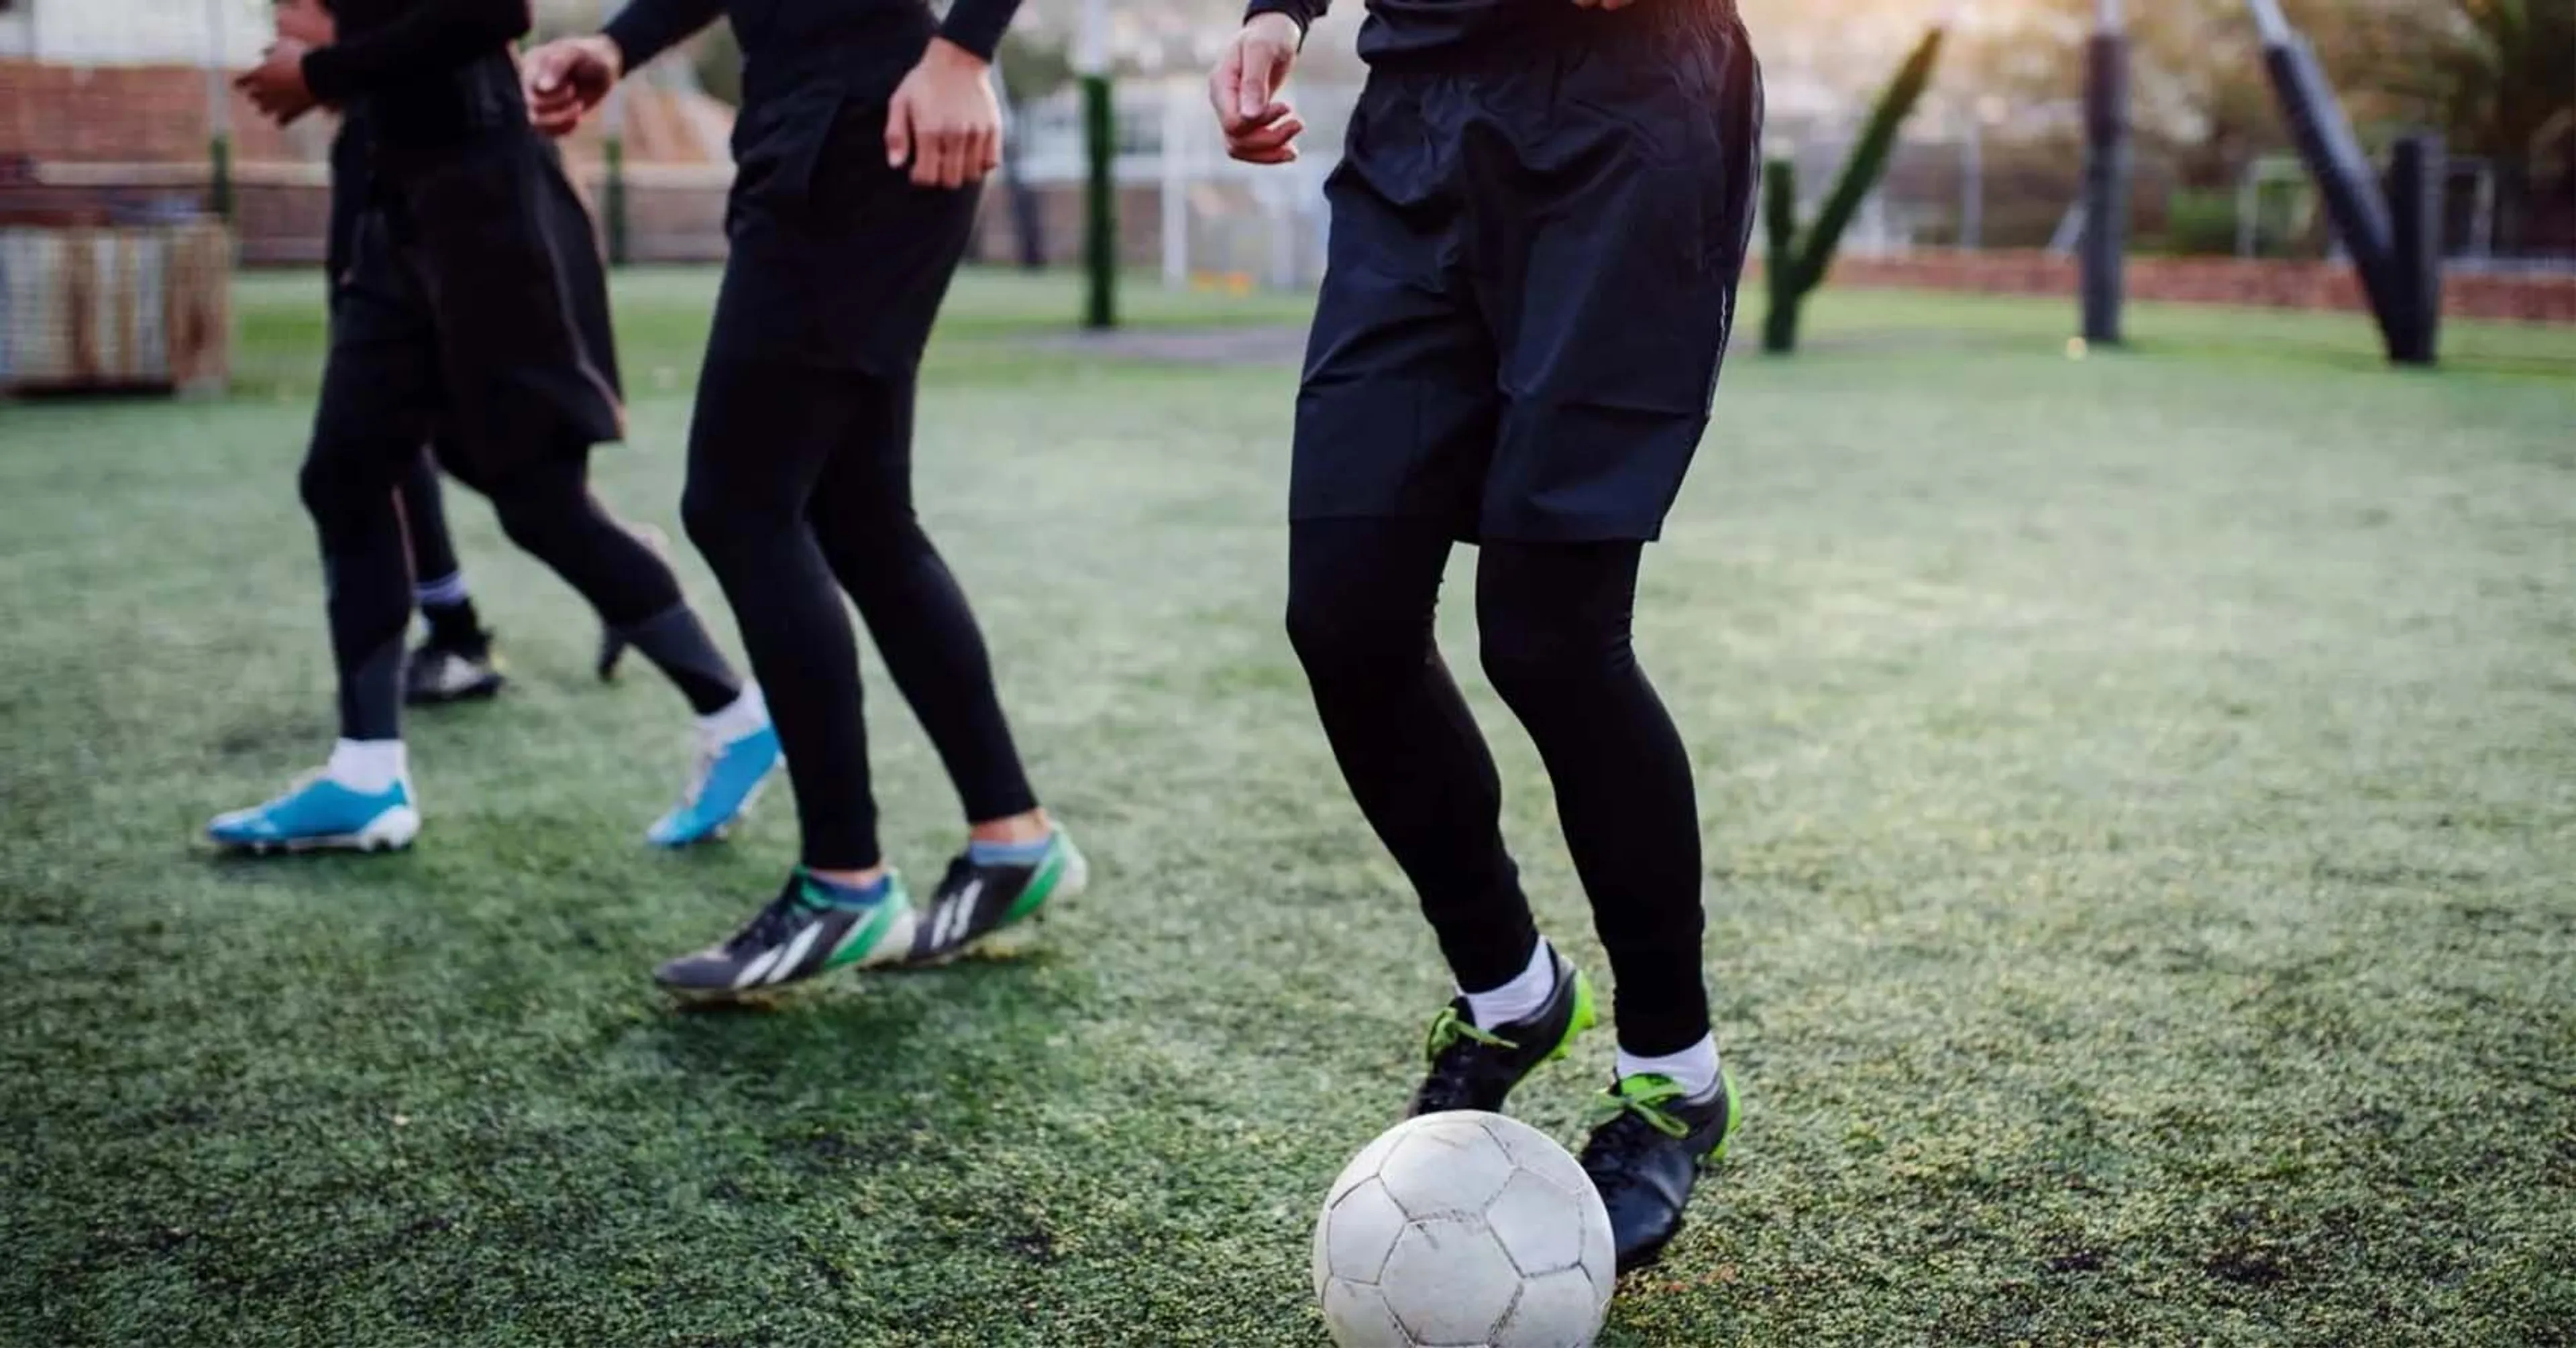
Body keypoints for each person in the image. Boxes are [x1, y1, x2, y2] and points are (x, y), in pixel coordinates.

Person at [1208, 0, 1764, 1273]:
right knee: (1343, 617)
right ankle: (1511, 993)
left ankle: (1673, 1078)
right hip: (1417, 124)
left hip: (1626, 115)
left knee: (1551, 640)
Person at [518, 0, 1082, 996]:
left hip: (868, 125)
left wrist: (965, 48)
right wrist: (619, 44)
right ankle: (1011, 837)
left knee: (741, 504)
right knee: (859, 515)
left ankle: (844, 881)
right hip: (820, 123)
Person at [217, 0, 782, 855]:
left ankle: (736, 717)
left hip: (484, 205)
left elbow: (487, 11)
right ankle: (367, 775)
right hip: (395, 200)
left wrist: (322, 69)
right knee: (345, 472)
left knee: (539, 501)